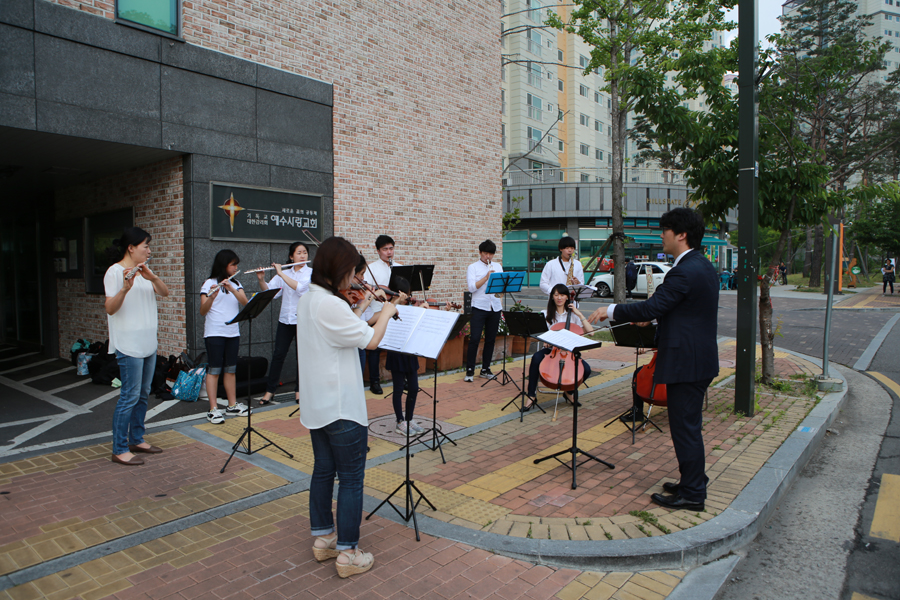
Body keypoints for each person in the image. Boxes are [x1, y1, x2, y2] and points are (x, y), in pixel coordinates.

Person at [586, 208, 719, 511]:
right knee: (688, 426)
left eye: (665, 230)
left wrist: (610, 310)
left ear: (681, 234)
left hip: (688, 363)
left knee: (685, 428)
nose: (661, 235)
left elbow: (650, 307)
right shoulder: (701, 265)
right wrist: (657, 318)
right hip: (697, 360)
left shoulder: (684, 270)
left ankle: (693, 494)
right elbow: (684, 310)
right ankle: (692, 480)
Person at [296, 236, 397, 578]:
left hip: (318, 404)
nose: (354, 278)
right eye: (351, 271)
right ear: (338, 269)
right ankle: (349, 553)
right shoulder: (331, 304)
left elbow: (346, 329)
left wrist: (364, 307)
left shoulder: (310, 299)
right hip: (341, 405)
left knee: (324, 470)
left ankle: (324, 538)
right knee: (352, 479)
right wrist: (386, 312)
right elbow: (371, 341)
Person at [104, 227, 170, 466]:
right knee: (129, 396)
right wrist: (125, 287)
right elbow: (110, 308)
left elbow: (165, 293)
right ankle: (119, 449)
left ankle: (136, 439)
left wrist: (152, 277)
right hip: (129, 343)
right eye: (146, 246)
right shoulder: (114, 272)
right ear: (131, 248)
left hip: (148, 343)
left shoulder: (144, 272)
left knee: (142, 394)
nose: (149, 251)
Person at [255, 242, 312, 405]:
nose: (302, 256)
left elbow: (300, 289)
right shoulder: (284, 273)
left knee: (302, 357)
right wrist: (261, 279)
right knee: (278, 355)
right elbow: (270, 293)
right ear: (291, 256)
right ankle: (270, 390)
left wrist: (280, 273)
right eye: (299, 253)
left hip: (302, 320)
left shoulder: (311, 273)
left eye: (305, 252)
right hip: (285, 320)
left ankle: (299, 390)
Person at [523, 284, 593, 410]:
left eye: (562, 295)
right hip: (551, 351)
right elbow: (535, 336)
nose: (559, 298)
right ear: (552, 297)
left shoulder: (573, 315)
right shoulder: (545, 314)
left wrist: (579, 314)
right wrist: (545, 340)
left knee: (586, 370)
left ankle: (569, 392)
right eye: (556, 295)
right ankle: (531, 395)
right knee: (536, 358)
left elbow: (591, 332)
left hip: (570, 352)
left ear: (567, 297)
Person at [200, 250, 250, 424]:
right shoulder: (209, 283)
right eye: (233, 264)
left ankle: (232, 404)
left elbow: (245, 302)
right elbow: (202, 311)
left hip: (232, 332)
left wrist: (232, 289)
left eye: (236, 264)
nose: (236, 267)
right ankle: (213, 408)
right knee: (214, 370)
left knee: (230, 369)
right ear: (224, 265)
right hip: (215, 332)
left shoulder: (236, 283)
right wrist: (212, 297)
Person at [361, 235, 400, 394]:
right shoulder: (371, 269)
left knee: (397, 347)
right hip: (377, 312)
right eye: (385, 249)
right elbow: (365, 288)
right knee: (375, 348)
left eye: (391, 248)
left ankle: (400, 378)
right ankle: (374, 381)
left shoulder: (399, 267)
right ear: (378, 251)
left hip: (395, 310)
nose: (389, 252)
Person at [385, 277, 423, 434]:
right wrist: (396, 302)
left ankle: (409, 418)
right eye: (406, 294)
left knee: (414, 387)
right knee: (398, 389)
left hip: (410, 351)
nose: (408, 297)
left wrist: (422, 310)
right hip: (396, 352)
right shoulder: (389, 307)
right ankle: (400, 421)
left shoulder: (410, 307)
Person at [464, 240, 504, 382]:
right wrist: (486, 277)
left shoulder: (498, 266)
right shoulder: (473, 267)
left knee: (490, 339)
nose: (488, 256)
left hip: (495, 307)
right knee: (475, 339)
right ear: (480, 252)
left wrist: (501, 291)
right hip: (479, 307)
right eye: (486, 253)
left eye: (491, 254)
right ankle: (470, 370)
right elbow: (471, 288)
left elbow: (501, 287)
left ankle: (485, 369)